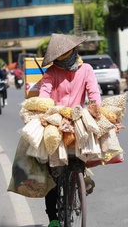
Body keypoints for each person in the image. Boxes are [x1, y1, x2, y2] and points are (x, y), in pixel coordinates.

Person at [38, 33, 101, 227]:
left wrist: (97, 111)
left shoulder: (87, 70)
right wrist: (43, 112)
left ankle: (80, 180)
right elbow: (44, 95)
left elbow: (94, 94)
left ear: (74, 52)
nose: (64, 66)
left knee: (80, 159)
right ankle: (54, 219)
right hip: (56, 122)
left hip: (79, 121)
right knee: (52, 173)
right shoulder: (50, 74)